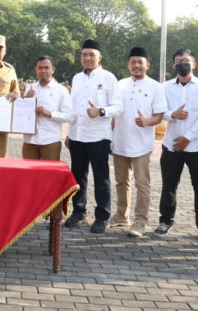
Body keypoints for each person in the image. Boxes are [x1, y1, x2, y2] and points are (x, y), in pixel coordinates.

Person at [155, 48, 198, 244]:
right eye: (179, 60)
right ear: (174, 65)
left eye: (186, 60)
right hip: (171, 145)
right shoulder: (165, 87)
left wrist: (187, 137)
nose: (183, 63)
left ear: (194, 64)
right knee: (169, 186)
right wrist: (172, 114)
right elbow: (158, 111)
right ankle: (165, 221)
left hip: (197, 146)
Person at [65, 39, 123, 233]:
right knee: (78, 175)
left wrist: (101, 111)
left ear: (99, 57)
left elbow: (118, 107)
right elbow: (73, 107)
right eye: (84, 55)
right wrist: (69, 133)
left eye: (91, 55)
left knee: (101, 177)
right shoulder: (76, 78)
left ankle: (102, 216)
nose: (88, 58)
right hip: (77, 135)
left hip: (98, 136)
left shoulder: (108, 78)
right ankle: (79, 211)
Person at [111, 47, 167, 238]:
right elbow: (114, 112)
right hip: (119, 140)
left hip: (141, 144)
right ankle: (121, 216)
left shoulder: (155, 87)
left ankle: (140, 222)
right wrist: (110, 137)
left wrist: (147, 121)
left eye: (140, 62)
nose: (136, 66)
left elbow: (159, 116)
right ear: (128, 65)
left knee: (141, 184)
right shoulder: (120, 84)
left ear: (147, 65)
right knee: (121, 182)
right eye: (133, 62)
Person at [21, 56, 74, 161]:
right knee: (28, 175)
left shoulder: (61, 90)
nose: (43, 71)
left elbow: (70, 116)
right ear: (36, 70)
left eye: (46, 67)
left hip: (50, 140)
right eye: (40, 68)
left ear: (53, 69)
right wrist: (26, 100)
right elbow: (22, 113)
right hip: (30, 140)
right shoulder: (30, 88)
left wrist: (50, 113)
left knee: (50, 175)